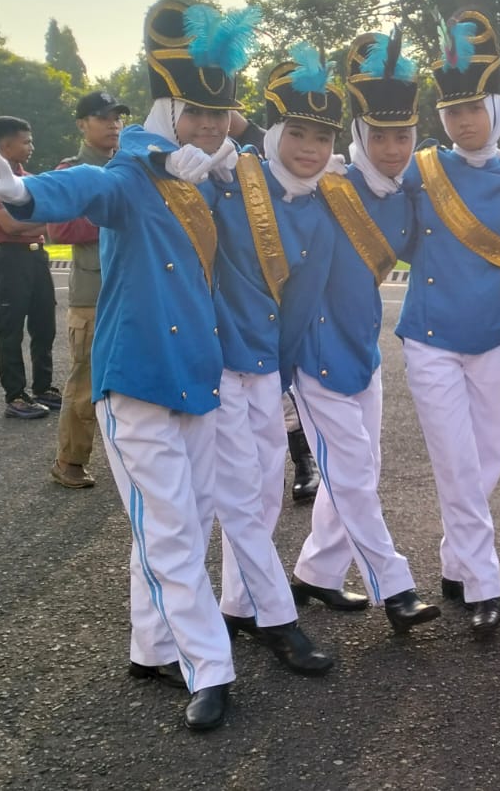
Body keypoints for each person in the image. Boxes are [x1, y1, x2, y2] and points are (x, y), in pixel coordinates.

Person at [0, 0, 262, 732]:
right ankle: (209, 666)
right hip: (134, 381)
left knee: (180, 524)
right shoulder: (132, 174)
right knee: (171, 529)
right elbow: (87, 186)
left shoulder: (218, 178)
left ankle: (149, 647)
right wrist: (23, 191)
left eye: (216, 113)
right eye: (193, 112)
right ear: (168, 110)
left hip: (198, 378)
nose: (207, 125)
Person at [286, 28, 442, 634]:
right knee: (351, 472)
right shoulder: (325, 186)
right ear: (358, 133)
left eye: (402, 135)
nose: (392, 148)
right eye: (379, 136)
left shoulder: (407, 195)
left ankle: (317, 572)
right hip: (312, 352)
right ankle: (395, 587)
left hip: (362, 348)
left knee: (359, 470)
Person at [397, 8, 500, 636]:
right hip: (429, 336)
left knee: (488, 457)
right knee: (457, 462)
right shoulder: (422, 167)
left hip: (496, 334)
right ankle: (485, 581)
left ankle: (455, 561)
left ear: (496, 109)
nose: (463, 121)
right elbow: (358, 172)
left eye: (474, 108)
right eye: (453, 111)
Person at [207, 44, 338, 679]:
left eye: (323, 137)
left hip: (263, 367)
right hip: (212, 362)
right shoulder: (229, 177)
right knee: (239, 494)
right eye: (299, 133)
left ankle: (237, 606)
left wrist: (281, 378)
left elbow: (300, 305)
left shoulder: (320, 207)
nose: (310, 148)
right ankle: (278, 618)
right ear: (275, 130)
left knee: (262, 494)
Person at [46, 91, 130, 488]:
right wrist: (116, 213)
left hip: (132, 290)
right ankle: (70, 461)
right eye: (103, 117)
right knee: (86, 382)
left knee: (133, 381)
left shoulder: (130, 165)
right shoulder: (72, 169)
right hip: (93, 294)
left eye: (118, 117)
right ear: (82, 124)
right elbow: (59, 226)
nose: (114, 124)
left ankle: (132, 462)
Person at [0, 116, 60, 419]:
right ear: (5, 146)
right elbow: (9, 226)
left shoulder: (30, 181)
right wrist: (49, 222)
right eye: (25, 142)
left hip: (37, 258)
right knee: (10, 331)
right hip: (11, 259)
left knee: (44, 326)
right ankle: (15, 395)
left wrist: (44, 222)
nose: (31, 147)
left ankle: (43, 387)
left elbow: (47, 216)